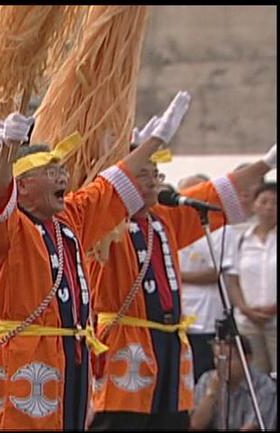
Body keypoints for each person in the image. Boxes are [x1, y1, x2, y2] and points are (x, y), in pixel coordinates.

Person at [0, 91, 193, 430]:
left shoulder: (69, 219)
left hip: (71, 352)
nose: (63, 177)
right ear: (24, 186)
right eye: (51, 171)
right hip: (25, 355)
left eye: (62, 170)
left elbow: (110, 187)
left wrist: (153, 143)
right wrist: (6, 150)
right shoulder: (8, 230)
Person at [87, 119, 276, 431]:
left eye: (155, 174)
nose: (153, 182)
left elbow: (216, 193)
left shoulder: (165, 217)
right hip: (127, 338)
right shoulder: (103, 222)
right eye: (141, 175)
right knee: (122, 420)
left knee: (172, 422)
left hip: (171, 339)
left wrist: (264, 165)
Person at [177, 173, 235, 382]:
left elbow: (215, 272)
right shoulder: (172, 228)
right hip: (179, 322)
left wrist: (177, 275)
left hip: (207, 320)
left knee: (205, 377)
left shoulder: (220, 230)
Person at [226, 182, 277, 374]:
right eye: (264, 201)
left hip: (275, 318)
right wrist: (245, 309)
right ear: (254, 204)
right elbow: (233, 280)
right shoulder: (242, 239)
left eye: (275, 203)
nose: (269, 207)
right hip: (248, 321)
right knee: (255, 376)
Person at [190, 336, 277, 430]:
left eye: (227, 360)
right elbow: (196, 425)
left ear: (246, 359)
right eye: (216, 358)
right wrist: (211, 394)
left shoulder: (264, 387)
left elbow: (252, 428)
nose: (220, 365)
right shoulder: (207, 380)